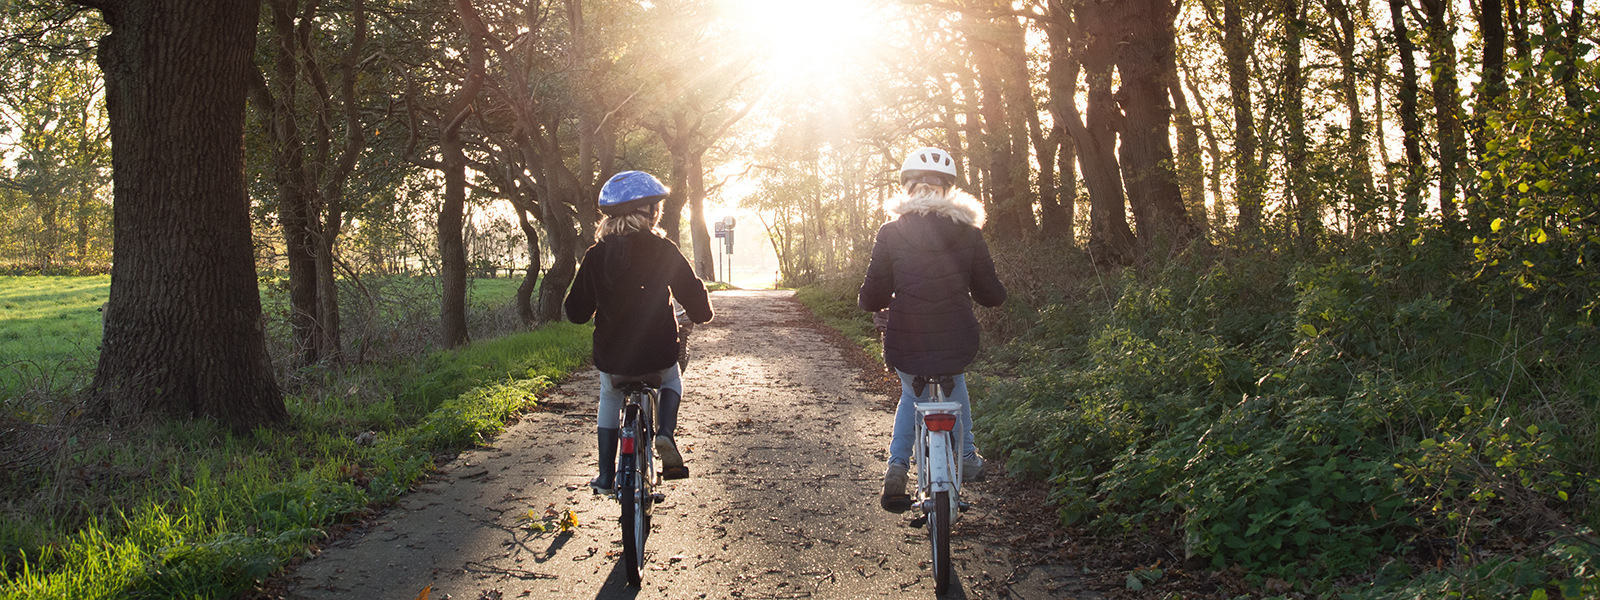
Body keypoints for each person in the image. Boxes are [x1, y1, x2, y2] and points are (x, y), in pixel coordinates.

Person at [858, 147, 1007, 513]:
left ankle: (897, 466)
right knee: (955, 379)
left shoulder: (891, 232)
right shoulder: (968, 231)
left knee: (912, 392)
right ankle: (967, 455)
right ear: (948, 190)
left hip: (905, 337)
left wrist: (874, 302)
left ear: (908, 189)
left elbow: (872, 295)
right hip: (957, 335)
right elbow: (992, 295)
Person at [565, 170, 713, 494]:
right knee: (673, 379)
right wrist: (701, 311)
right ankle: (665, 434)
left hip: (613, 359)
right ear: (649, 212)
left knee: (609, 394)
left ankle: (606, 475)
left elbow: (575, 313)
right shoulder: (664, 250)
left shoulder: (595, 256)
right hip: (657, 356)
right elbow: (698, 305)